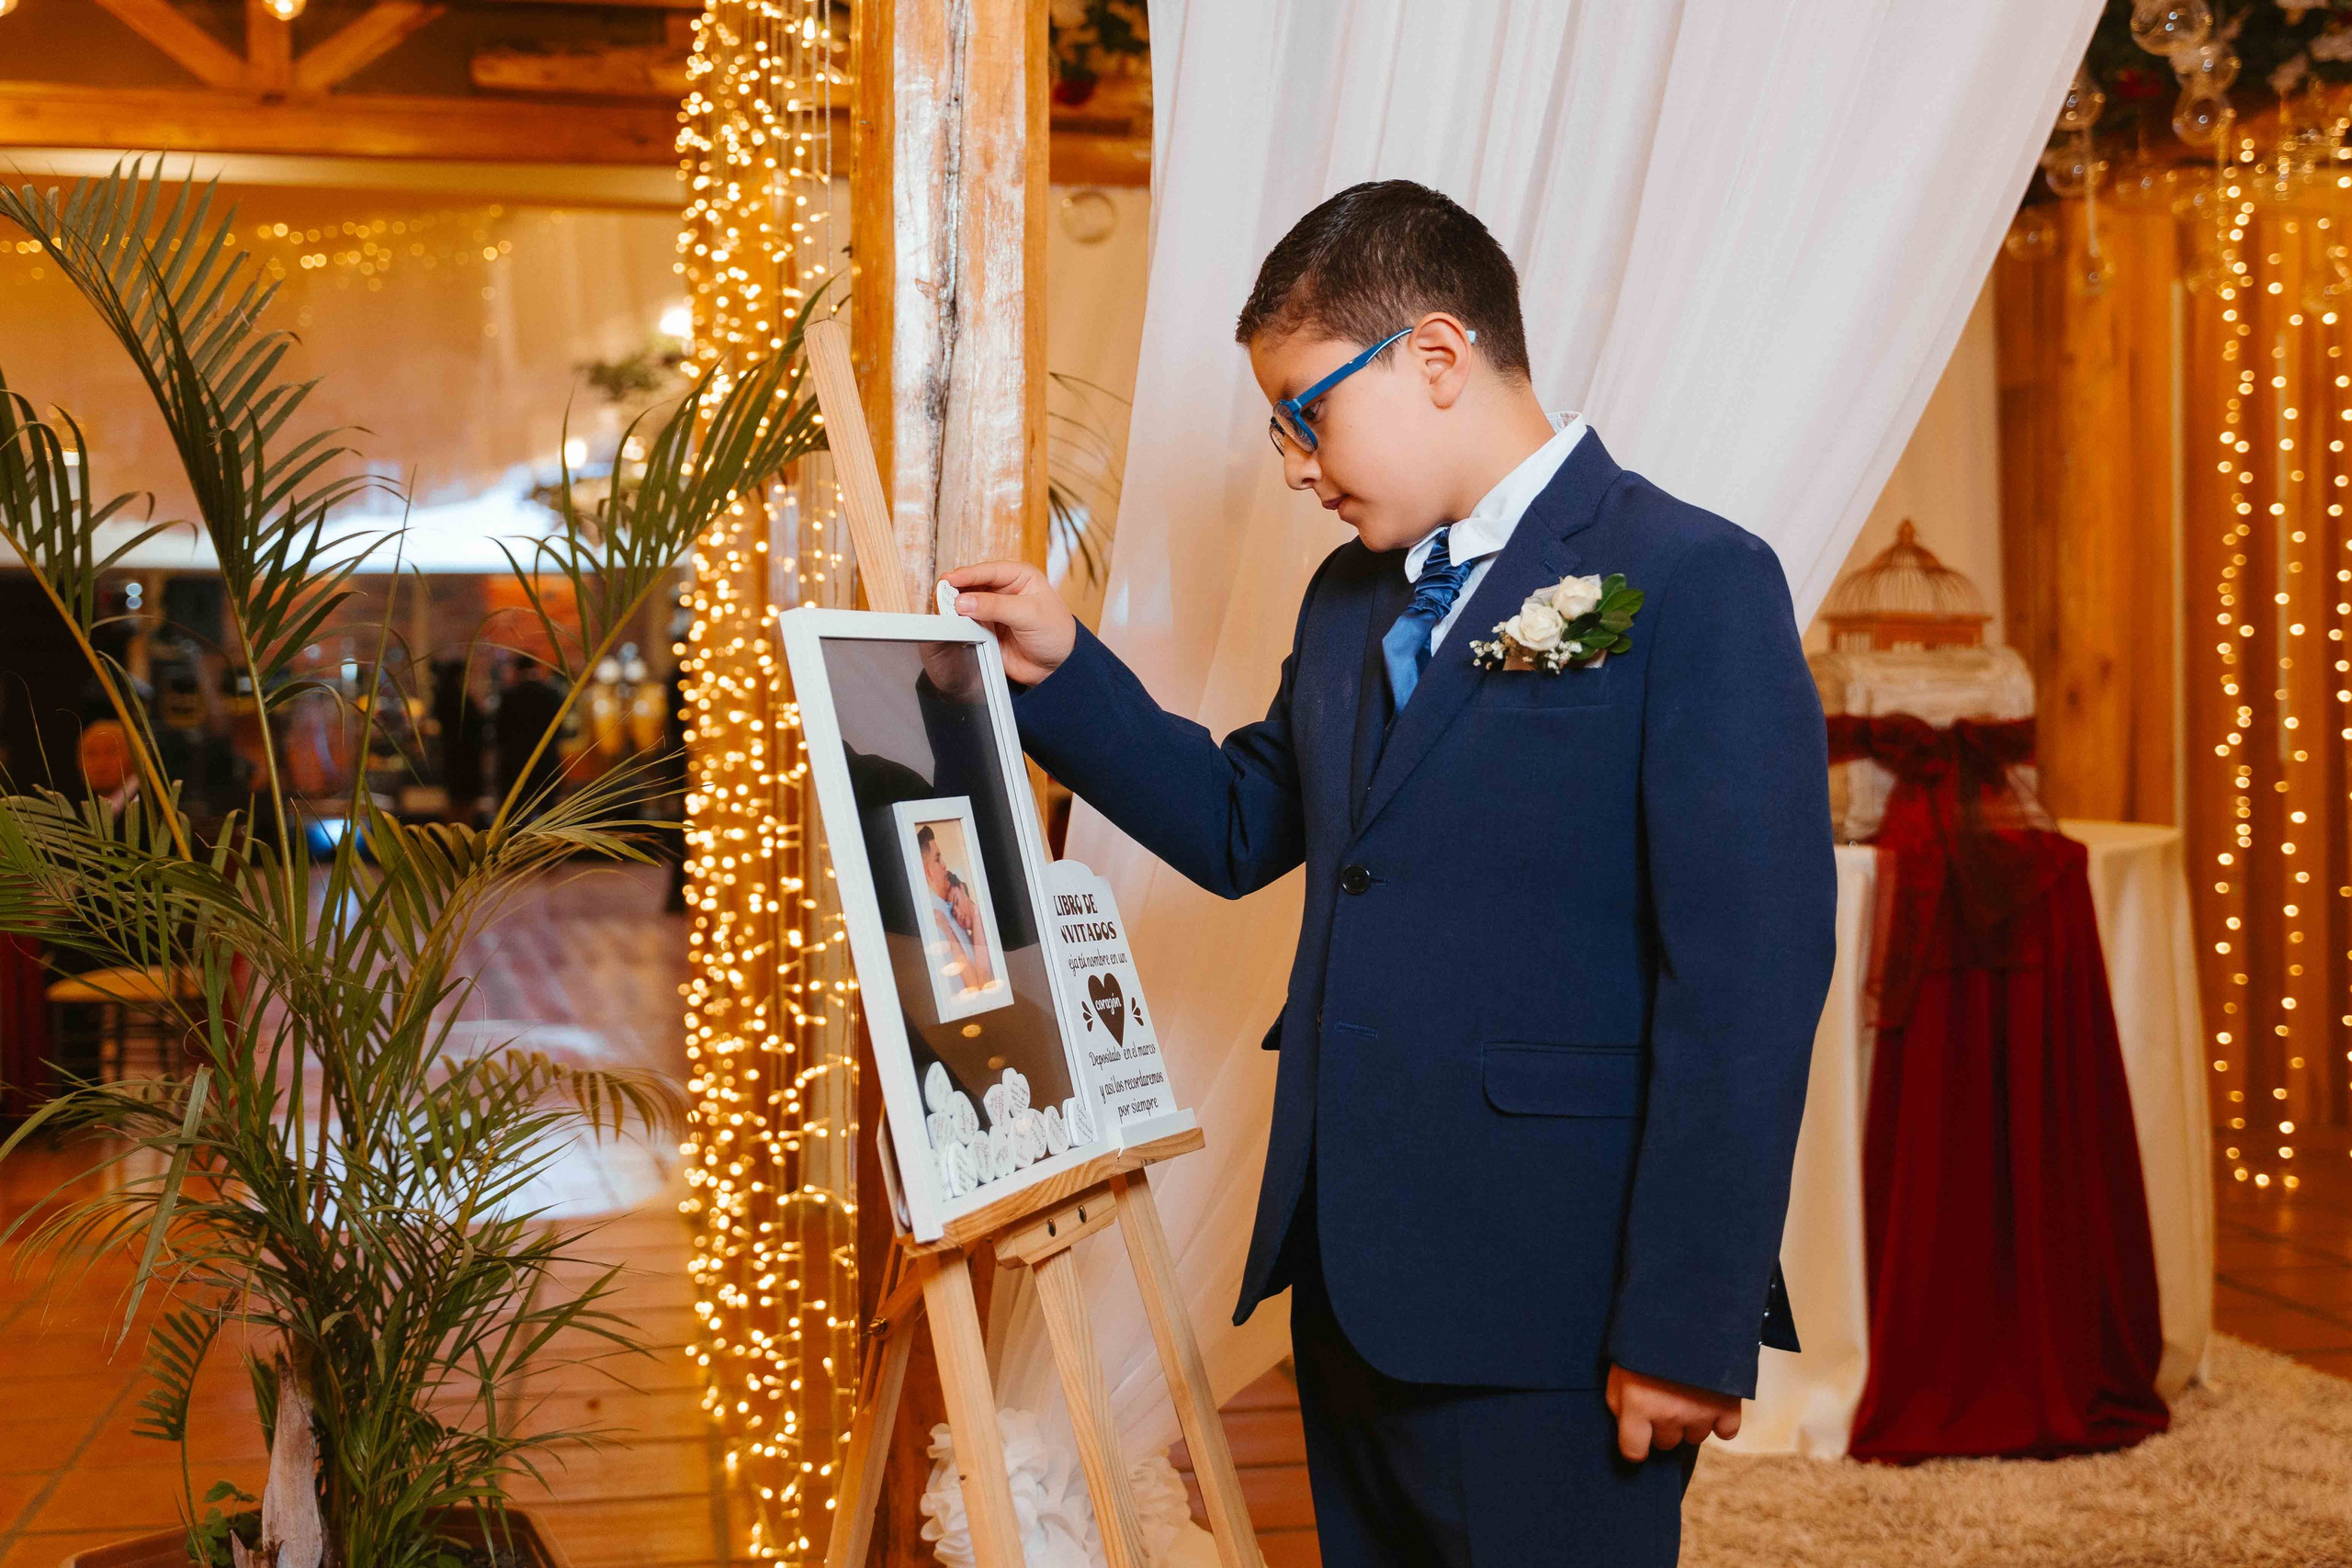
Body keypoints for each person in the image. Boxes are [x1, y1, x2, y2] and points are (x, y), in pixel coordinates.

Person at [945, 180, 1835, 1566]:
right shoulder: (1352, 597)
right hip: (1351, 1279)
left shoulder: (1691, 580)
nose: (1294, 462)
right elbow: (1249, 823)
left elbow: (1749, 990)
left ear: (1433, 356)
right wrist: (1066, 675)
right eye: (1276, 428)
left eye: (1306, 410)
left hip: (1560, 1305)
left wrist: (1688, 1319)